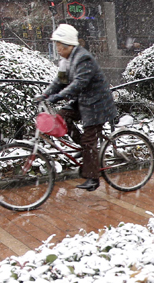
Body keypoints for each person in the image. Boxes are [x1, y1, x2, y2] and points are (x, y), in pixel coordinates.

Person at [35, 24, 117, 191]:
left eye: (59, 45)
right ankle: (83, 148)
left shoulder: (83, 58)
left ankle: (93, 178)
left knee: (89, 139)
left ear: (68, 45)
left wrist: (58, 96)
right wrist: (45, 95)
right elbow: (60, 81)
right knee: (62, 117)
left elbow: (79, 84)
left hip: (97, 103)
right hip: (83, 102)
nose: (57, 48)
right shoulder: (66, 60)